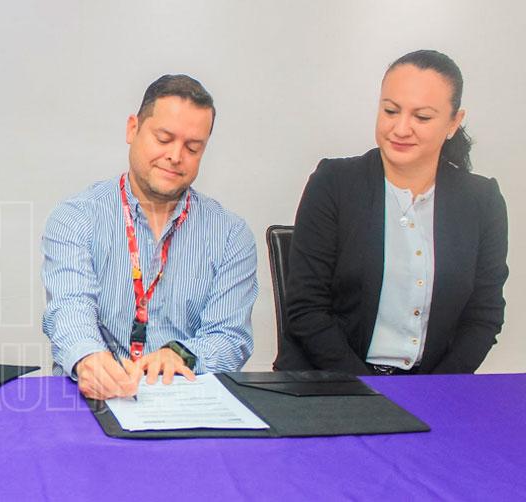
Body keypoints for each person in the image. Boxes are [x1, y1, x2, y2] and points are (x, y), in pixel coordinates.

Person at [276, 50, 508, 375]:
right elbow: (306, 308)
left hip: (432, 386)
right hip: (331, 381)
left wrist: (436, 389)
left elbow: (484, 315)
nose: (401, 128)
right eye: (390, 111)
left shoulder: (481, 200)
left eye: (421, 117)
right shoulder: (333, 183)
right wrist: (373, 391)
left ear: (454, 122)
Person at [42, 75, 258, 400]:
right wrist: (88, 357)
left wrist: (182, 354)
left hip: (183, 399)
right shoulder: (76, 217)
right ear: (133, 129)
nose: (176, 156)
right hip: (93, 400)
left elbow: (230, 336)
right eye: (164, 138)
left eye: (192, 147)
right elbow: (70, 307)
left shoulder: (231, 234)